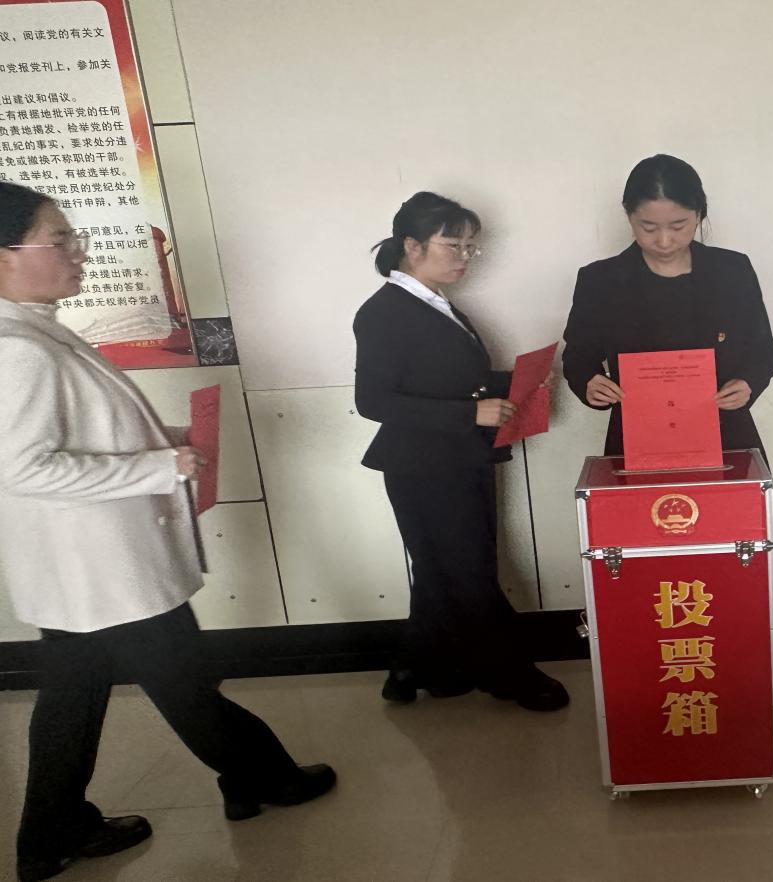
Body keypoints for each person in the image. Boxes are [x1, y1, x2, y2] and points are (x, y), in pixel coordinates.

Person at [0, 182, 335, 882]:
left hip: (83, 572)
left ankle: (51, 834)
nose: (78, 252)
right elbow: (23, 467)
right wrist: (156, 466)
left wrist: (164, 438)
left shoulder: (33, 327)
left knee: (72, 697)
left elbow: (77, 433)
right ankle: (264, 776)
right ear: (5, 256)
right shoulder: (17, 348)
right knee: (184, 684)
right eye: (59, 240)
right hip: (102, 566)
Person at [354, 191, 568, 712]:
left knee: (440, 569)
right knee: (467, 571)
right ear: (412, 245)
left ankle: (415, 666)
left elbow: (455, 378)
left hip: (459, 458)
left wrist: (519, 384)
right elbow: (372, 401)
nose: (465, 257)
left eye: (471, 247)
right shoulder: (384, 312)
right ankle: (508, 675)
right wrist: (469, 414)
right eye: (454, 245)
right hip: (422, 467)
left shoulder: (436, 303)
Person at [561, 155, 773, 576]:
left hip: (726, 434)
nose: (664, 240)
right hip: (637, 442)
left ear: (699, 214)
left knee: (739, 548)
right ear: (629, 217)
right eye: (648, 227)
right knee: (646, 552)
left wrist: (748, 382)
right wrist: (589, 382)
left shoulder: (732, 271)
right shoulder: (601, 280)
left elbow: (763, 351)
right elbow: (577, 356)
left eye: (679, 225)